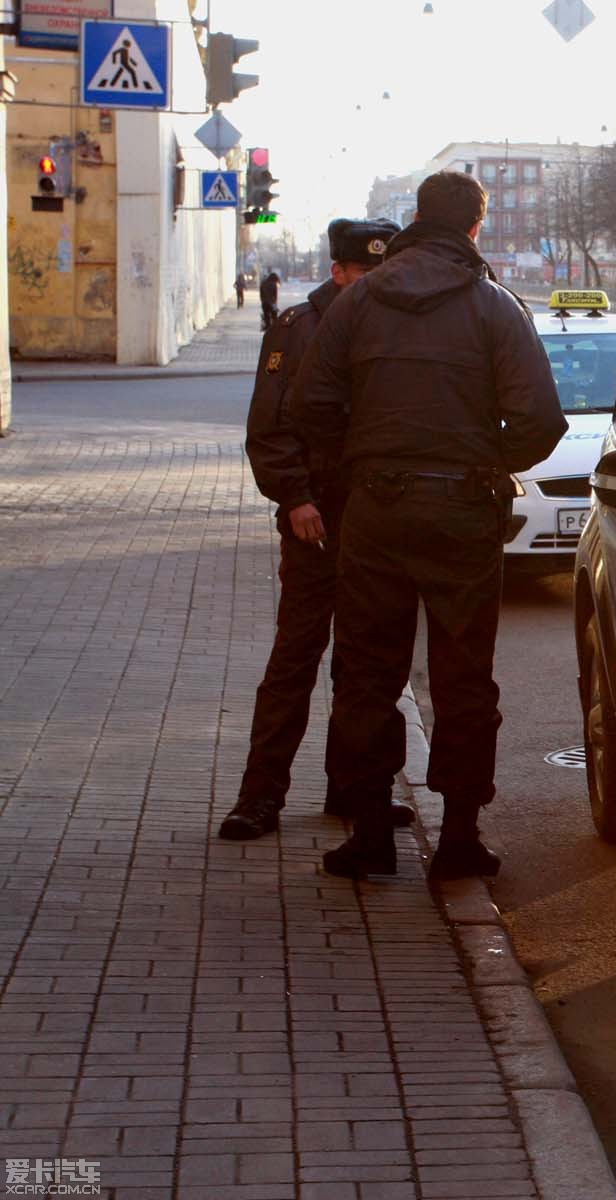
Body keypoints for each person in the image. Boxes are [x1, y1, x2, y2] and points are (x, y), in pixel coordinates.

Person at [292, 170, 565, 880]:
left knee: (366, 673)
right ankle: (461, 838)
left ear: (416, 219)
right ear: (476, 227)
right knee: (464, 677)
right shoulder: (494, 307)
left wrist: (358, 463)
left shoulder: (361, 302)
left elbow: (310, 402)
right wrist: (482, 462)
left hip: (376, 512)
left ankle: (371, 834)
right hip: (464, 513)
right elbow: (540, 420)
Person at [220, 219, 405, 841]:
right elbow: (268, 429)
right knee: (295, 659)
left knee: (365, 665)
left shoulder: (394, 328)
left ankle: (352, 789)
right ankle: (260, 796)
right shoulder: (297, 330)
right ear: (339, 272)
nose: (375, 284)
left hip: (375, 523)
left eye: (384, 273)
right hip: (315, 522)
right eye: (365, 273)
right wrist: (295, 498)